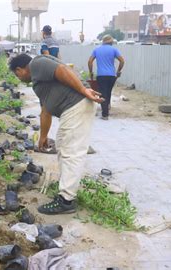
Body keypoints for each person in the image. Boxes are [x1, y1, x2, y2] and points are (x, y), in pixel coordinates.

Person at [9, 54, 104, 215]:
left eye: (17, 75)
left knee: (71, 152)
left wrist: (83, 90)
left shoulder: (36, 63)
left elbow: (62, 69)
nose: (18, 78)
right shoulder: (38, 83)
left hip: (76, 106)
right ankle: (66, 190)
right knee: (63, 148)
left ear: (20, 69)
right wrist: (43, 136)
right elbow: (45, 110)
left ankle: (66, 201)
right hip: (72, 109)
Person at [88, 35, 125, 120]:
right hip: (112, 75)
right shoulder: (114, 50)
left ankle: (105, 114)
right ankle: (106, 107)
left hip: (101, 75)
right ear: (111, 42)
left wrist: (90, 72)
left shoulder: (97, 50)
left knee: (102, 93)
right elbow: (122, 61)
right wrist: (118, 70)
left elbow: (90, 61)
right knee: (108, 92)